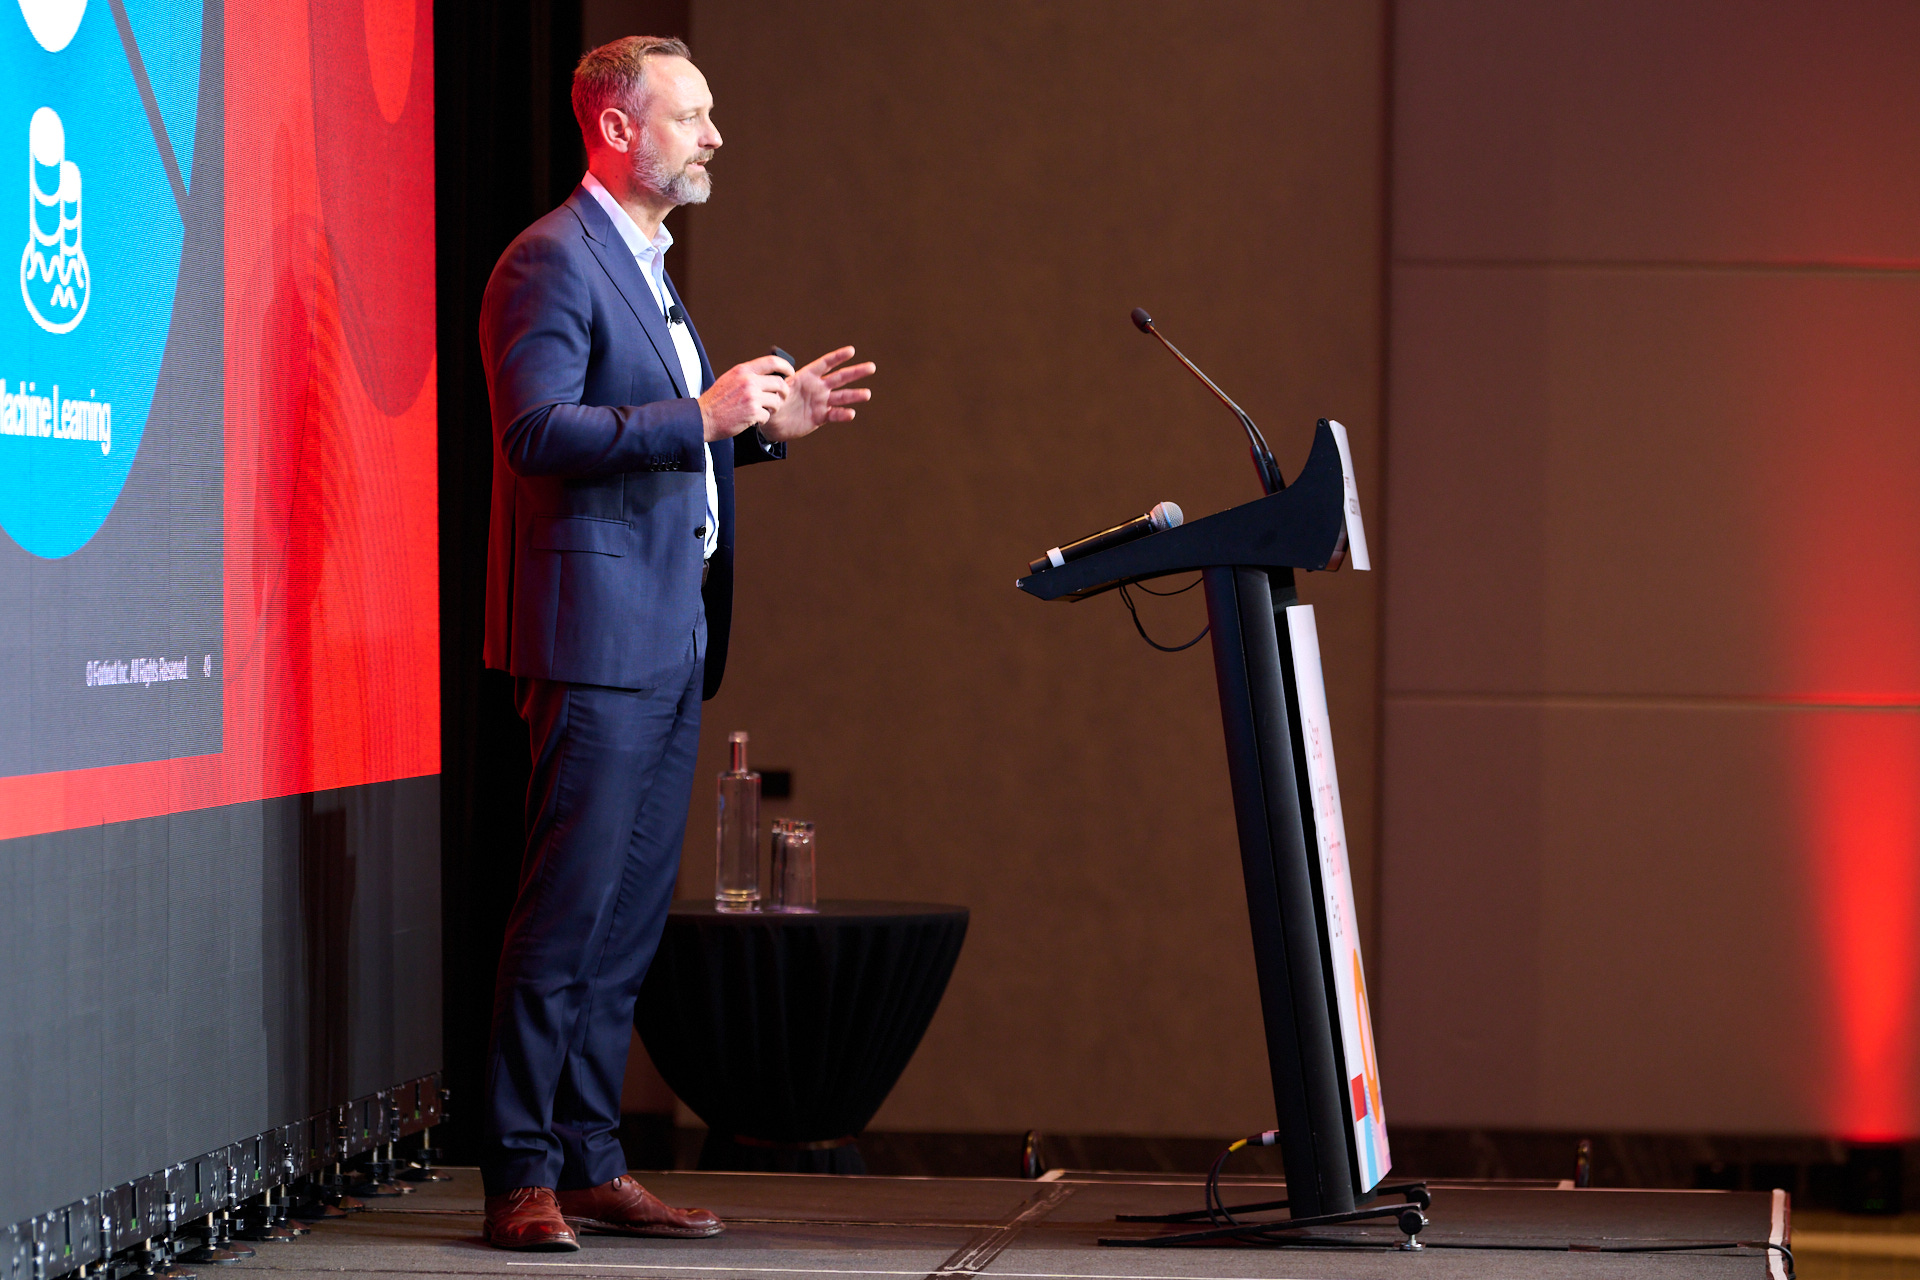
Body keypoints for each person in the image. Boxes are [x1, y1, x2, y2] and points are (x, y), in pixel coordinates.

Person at [476, 35, 875, 1252]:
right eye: (692, 116)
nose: (712, 136)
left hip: (668, 639)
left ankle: (594, 1158)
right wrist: (696, 414)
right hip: (593, 640)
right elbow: (537, 433)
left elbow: (659, 439)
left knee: (627, 920)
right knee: (565, 911)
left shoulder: (647, 268)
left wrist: (759, 431)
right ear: (617, 128)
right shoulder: (551, 260)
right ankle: (520, 1174)